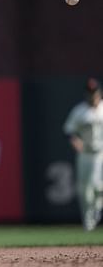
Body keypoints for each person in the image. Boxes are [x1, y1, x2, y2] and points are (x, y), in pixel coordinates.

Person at [63, 77, 103, 231]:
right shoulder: (80, 110)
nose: (92, 95)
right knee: (84, 189)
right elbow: (68, 129)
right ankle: (88, 221)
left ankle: (96, 211)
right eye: (89, 92)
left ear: (99, 92)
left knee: (98, 187)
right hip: (85, 153)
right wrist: (74, 140)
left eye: (94, 92)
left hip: (101, 153)